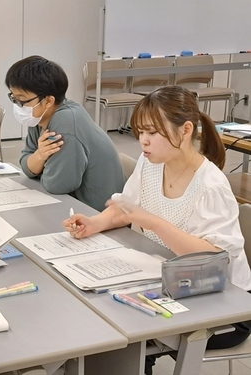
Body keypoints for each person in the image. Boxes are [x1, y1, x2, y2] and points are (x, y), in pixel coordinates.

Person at [62, 86, 251, 374]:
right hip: (167, 280)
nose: (143, 141)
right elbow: (126, 207)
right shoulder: (151, 165)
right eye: (139, 132)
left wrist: (150, 221)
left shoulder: (210, 185)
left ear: (185, 130)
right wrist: (94, 223)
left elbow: (214, 258)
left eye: (152, 133)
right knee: (100, 314)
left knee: (118, 330)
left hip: (223, 303)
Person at [5, 55, 125, 211]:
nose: (18, 106)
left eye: (22, 100)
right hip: (72, 208)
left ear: (48, 101)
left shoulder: (66, 121)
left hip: (97, 216)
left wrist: (38, 163)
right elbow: (26, 165)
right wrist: (40, 155)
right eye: (13, 98)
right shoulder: (38, 117)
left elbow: (57, 185)